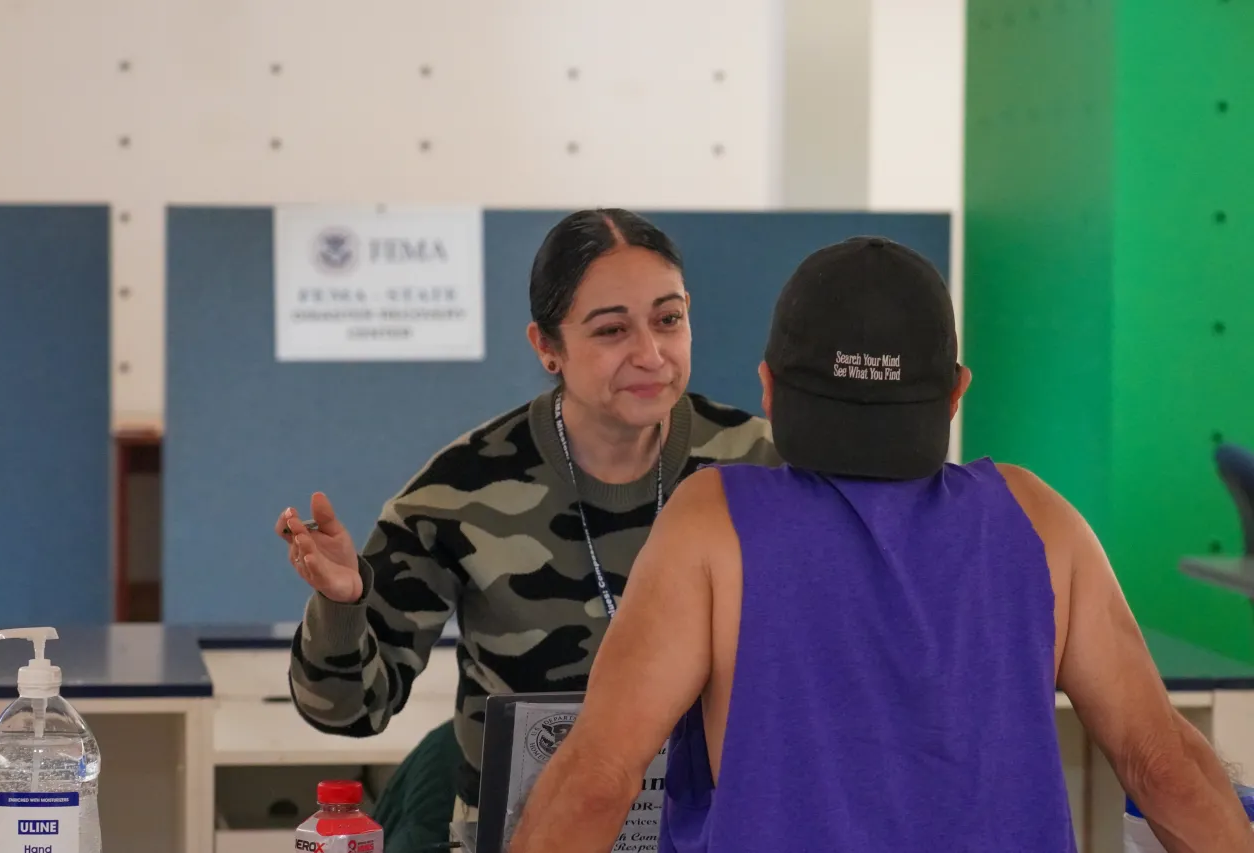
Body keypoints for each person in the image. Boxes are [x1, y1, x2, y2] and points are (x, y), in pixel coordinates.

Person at [505, 236, 1254, 852]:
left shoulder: (714, 522)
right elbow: (1163, 768)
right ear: (957, 390)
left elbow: (598, 780)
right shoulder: (1040, 519)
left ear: (770, 388)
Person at [276, 208, 781, 828]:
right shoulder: (458, 492)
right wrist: (341, 604)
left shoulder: (764, 466)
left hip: (713, 832)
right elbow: (349, 711)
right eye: (611, 331)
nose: (651, 354)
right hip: (526, 832)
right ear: (547, 347)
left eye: (668, 320)